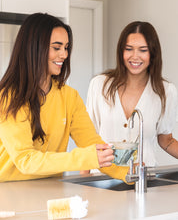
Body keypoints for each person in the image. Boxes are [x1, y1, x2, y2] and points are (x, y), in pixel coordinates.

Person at [0, 12, 129, 182]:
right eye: (57, 47)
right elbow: (26, 160)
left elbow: (92, 145)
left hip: (51, 190)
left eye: (66, 47)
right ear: (34, 47)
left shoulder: (69, 97)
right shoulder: (9, 97)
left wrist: (129, 175)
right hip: (10, 194)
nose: (65, 54)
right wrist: (87, 158)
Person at [82, 21, 178, 174]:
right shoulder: (100, 85)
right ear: (121, 52)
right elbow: (88, 140)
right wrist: (84, 181)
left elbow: (166, 141)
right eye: (129, 49)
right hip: (102, 178)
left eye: (142, 50)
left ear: (152, 53)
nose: (135, 56)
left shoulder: (166, 91)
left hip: (144, 179)